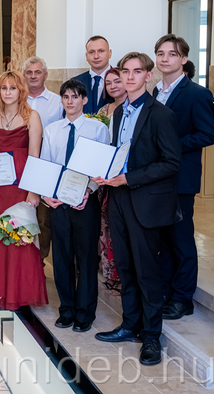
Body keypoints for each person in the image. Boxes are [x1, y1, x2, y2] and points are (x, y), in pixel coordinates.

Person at [94, 52, 182, 367]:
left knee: (147, 270)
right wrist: (103, 171)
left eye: (136, 71)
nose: (129, 77)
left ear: (148, 75)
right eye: (125, 72)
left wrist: (129, 178)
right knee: (126, 267)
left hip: (145, 201)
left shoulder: (161, 114)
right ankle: (130, 324)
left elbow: (171, 163)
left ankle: (152, 336)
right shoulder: (118, 112)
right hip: (118, 199)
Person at [153, 35, 214, 320]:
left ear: (184, 59)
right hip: (156, 178)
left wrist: (171, 146)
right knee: (163, 240)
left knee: (181, 240)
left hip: (180, 178)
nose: (165, 58)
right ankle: (166, 291)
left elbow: (208, 134)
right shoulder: (155, 92)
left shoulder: (197, 93)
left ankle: (183, 298)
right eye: (160, 53)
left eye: (172, 54)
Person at [41, 79, 109, 330]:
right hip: (58, 202)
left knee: (86, 257)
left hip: (85, 201)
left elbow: (102, 166)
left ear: (84, 100)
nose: (70, 101)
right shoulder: (52, 130)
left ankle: (85, 312)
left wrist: (88, 191)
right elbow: (47, 164)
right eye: (65, 97)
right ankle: (67, 309)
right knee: (62, 257)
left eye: (74, 96)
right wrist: (47, 195)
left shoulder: (97, 129)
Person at [0, 70, 47, 310]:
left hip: (21, 186)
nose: (8, 92)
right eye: (4, 88)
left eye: (13, 88)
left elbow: (35, 157)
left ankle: (20, 293)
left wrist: (33, 191)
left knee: (20, 239)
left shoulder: (32, 117)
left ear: (21, 91)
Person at [23, 56, 62, 261]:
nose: (33, 76)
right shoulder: (18, 100)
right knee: (23, 212)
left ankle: (40, 259)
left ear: (45, 75)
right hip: (23, 163)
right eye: (29, 72)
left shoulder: (58, 102)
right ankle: (25, 260)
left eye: (37, 72)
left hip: (48, 165)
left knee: (44, 219)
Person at [96, 68, 127, 290]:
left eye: (117, 81)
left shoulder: (133, 108)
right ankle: (110, 271)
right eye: (108, 83)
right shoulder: (103, 111)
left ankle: (123, 272)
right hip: (103, 173)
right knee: (105, 223)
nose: (113, 86)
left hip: (124, 174)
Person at [73, 36, 114, 114]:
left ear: (109, 53)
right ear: (86, 56)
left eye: (101, 51)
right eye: (91, 52)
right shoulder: (75, 83)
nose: (96, 56)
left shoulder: (121, 80)